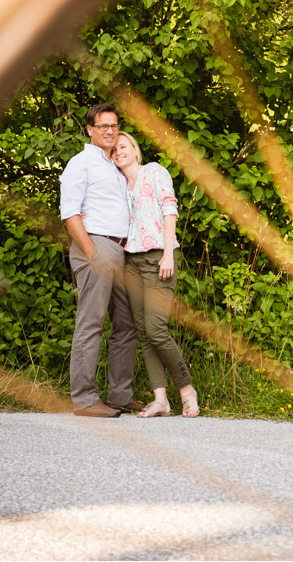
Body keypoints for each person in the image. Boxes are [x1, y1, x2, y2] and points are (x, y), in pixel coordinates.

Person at [58, 103, 142, 417]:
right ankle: (83, 399)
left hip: (122, 251)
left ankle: (120, 395)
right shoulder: (81, 163)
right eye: (103, 126)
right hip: (97, 246)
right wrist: (91, 252)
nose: (110, 131)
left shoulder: (115, 167)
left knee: (126, 323)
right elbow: (70, 212)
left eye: (114, 126)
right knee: (91, 323)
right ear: (90, 130)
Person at [113, 131, 199, 417]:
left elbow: (169, 209)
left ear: (135, 150)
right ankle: (160, 399)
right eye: (114, 150)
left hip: (157, 259)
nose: (118, 152)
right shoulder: (119, 185)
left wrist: (167, 254)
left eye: (123, 147)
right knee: (145, 332)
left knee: (156, 329)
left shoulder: (154, 171)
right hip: (131, 263)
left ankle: (186, 389)